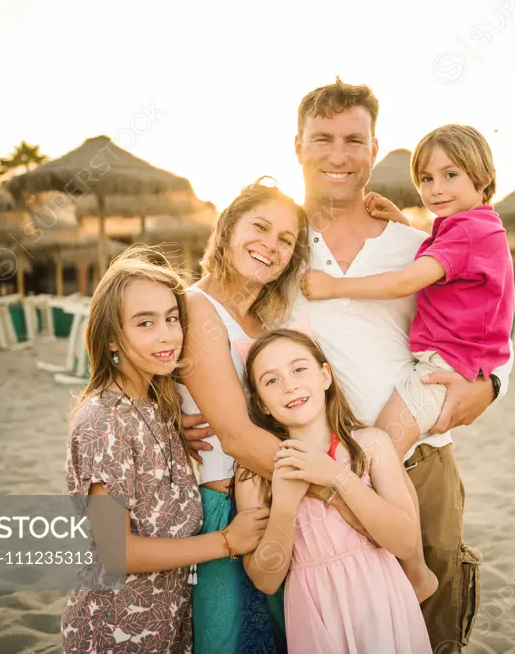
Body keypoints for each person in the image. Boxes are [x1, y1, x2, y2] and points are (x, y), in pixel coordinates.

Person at [188, 78, 513, 652]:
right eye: (323, 138)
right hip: (309, 483)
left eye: (353, 140)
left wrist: (489, 387)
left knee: (430, 629)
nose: (338, 155)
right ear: (297, 145)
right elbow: (215, 325)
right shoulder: (276, 245)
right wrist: (181, 414)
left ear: (373, 147)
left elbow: (491, 322)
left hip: (418, 466)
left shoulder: (418, 244)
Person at [60, 247, 268, 654]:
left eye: (172, 318)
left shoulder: (156, 406)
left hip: (166, 624)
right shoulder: (103, 421)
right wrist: (226, 542)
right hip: (114, 632)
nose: (167, 335)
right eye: (145, 323)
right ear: (111, 340)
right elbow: (114, 549)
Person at [175, 178, 312, 653]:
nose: (269, 246)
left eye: (285, 240)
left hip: (279, 498)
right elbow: (234, 436)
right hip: (225, 510)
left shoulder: (269, 325)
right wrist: (337, 481)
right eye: (260, 227)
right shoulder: (196, 307)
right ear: (229, 227)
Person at [235, 328, 432, 654]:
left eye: (299, 369)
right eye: (271, 381)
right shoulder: (255, 474)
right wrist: (284, 505)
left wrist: (339, 478)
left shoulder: (370, 446)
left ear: (325, 375)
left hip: (382, 600)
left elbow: (404, 541)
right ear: (262, 404)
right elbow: (266, 580)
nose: (290, 385)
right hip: (315, 613)